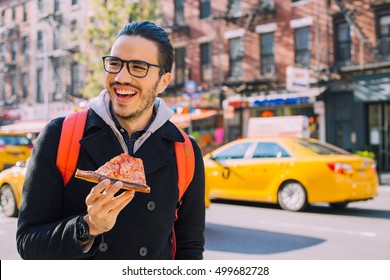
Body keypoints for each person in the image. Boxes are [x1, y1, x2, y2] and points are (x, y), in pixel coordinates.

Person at [16, 21, 205, 260]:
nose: (121, 77)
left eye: (138, 67)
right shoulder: (59, 135)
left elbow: (190, 248)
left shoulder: (185, 151)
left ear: (163, 81)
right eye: (115, 64)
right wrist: (87, 227)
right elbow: (27, 243)